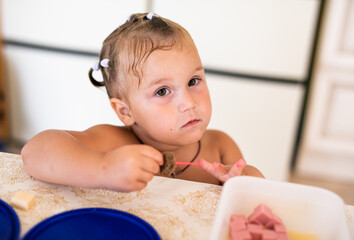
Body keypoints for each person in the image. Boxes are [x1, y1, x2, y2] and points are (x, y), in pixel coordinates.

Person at [21, 12, 264, 192]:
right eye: (162, 91)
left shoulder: (220, 147)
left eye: (193, 81)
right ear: (125, 111)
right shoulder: (114, 144)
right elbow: (35, 150)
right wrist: (103, 168)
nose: (188, 102)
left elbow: (257, 197)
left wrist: (244, 181)